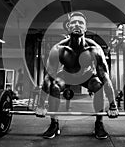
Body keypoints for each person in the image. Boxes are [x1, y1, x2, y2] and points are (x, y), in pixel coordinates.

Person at [35, 11, 119, 139]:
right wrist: (41, 105)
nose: (77, 25)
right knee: (54, 86)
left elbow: (105, 76)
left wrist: (113, 105)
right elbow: (48, 77)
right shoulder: (59, 49)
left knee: (98, 84)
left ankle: (99, 124)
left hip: (87, 76)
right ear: (68, 27)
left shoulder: (94, 49)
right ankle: (54, 124)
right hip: (66, 75)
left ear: (85, 28)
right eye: (73, 22)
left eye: (80, 23)